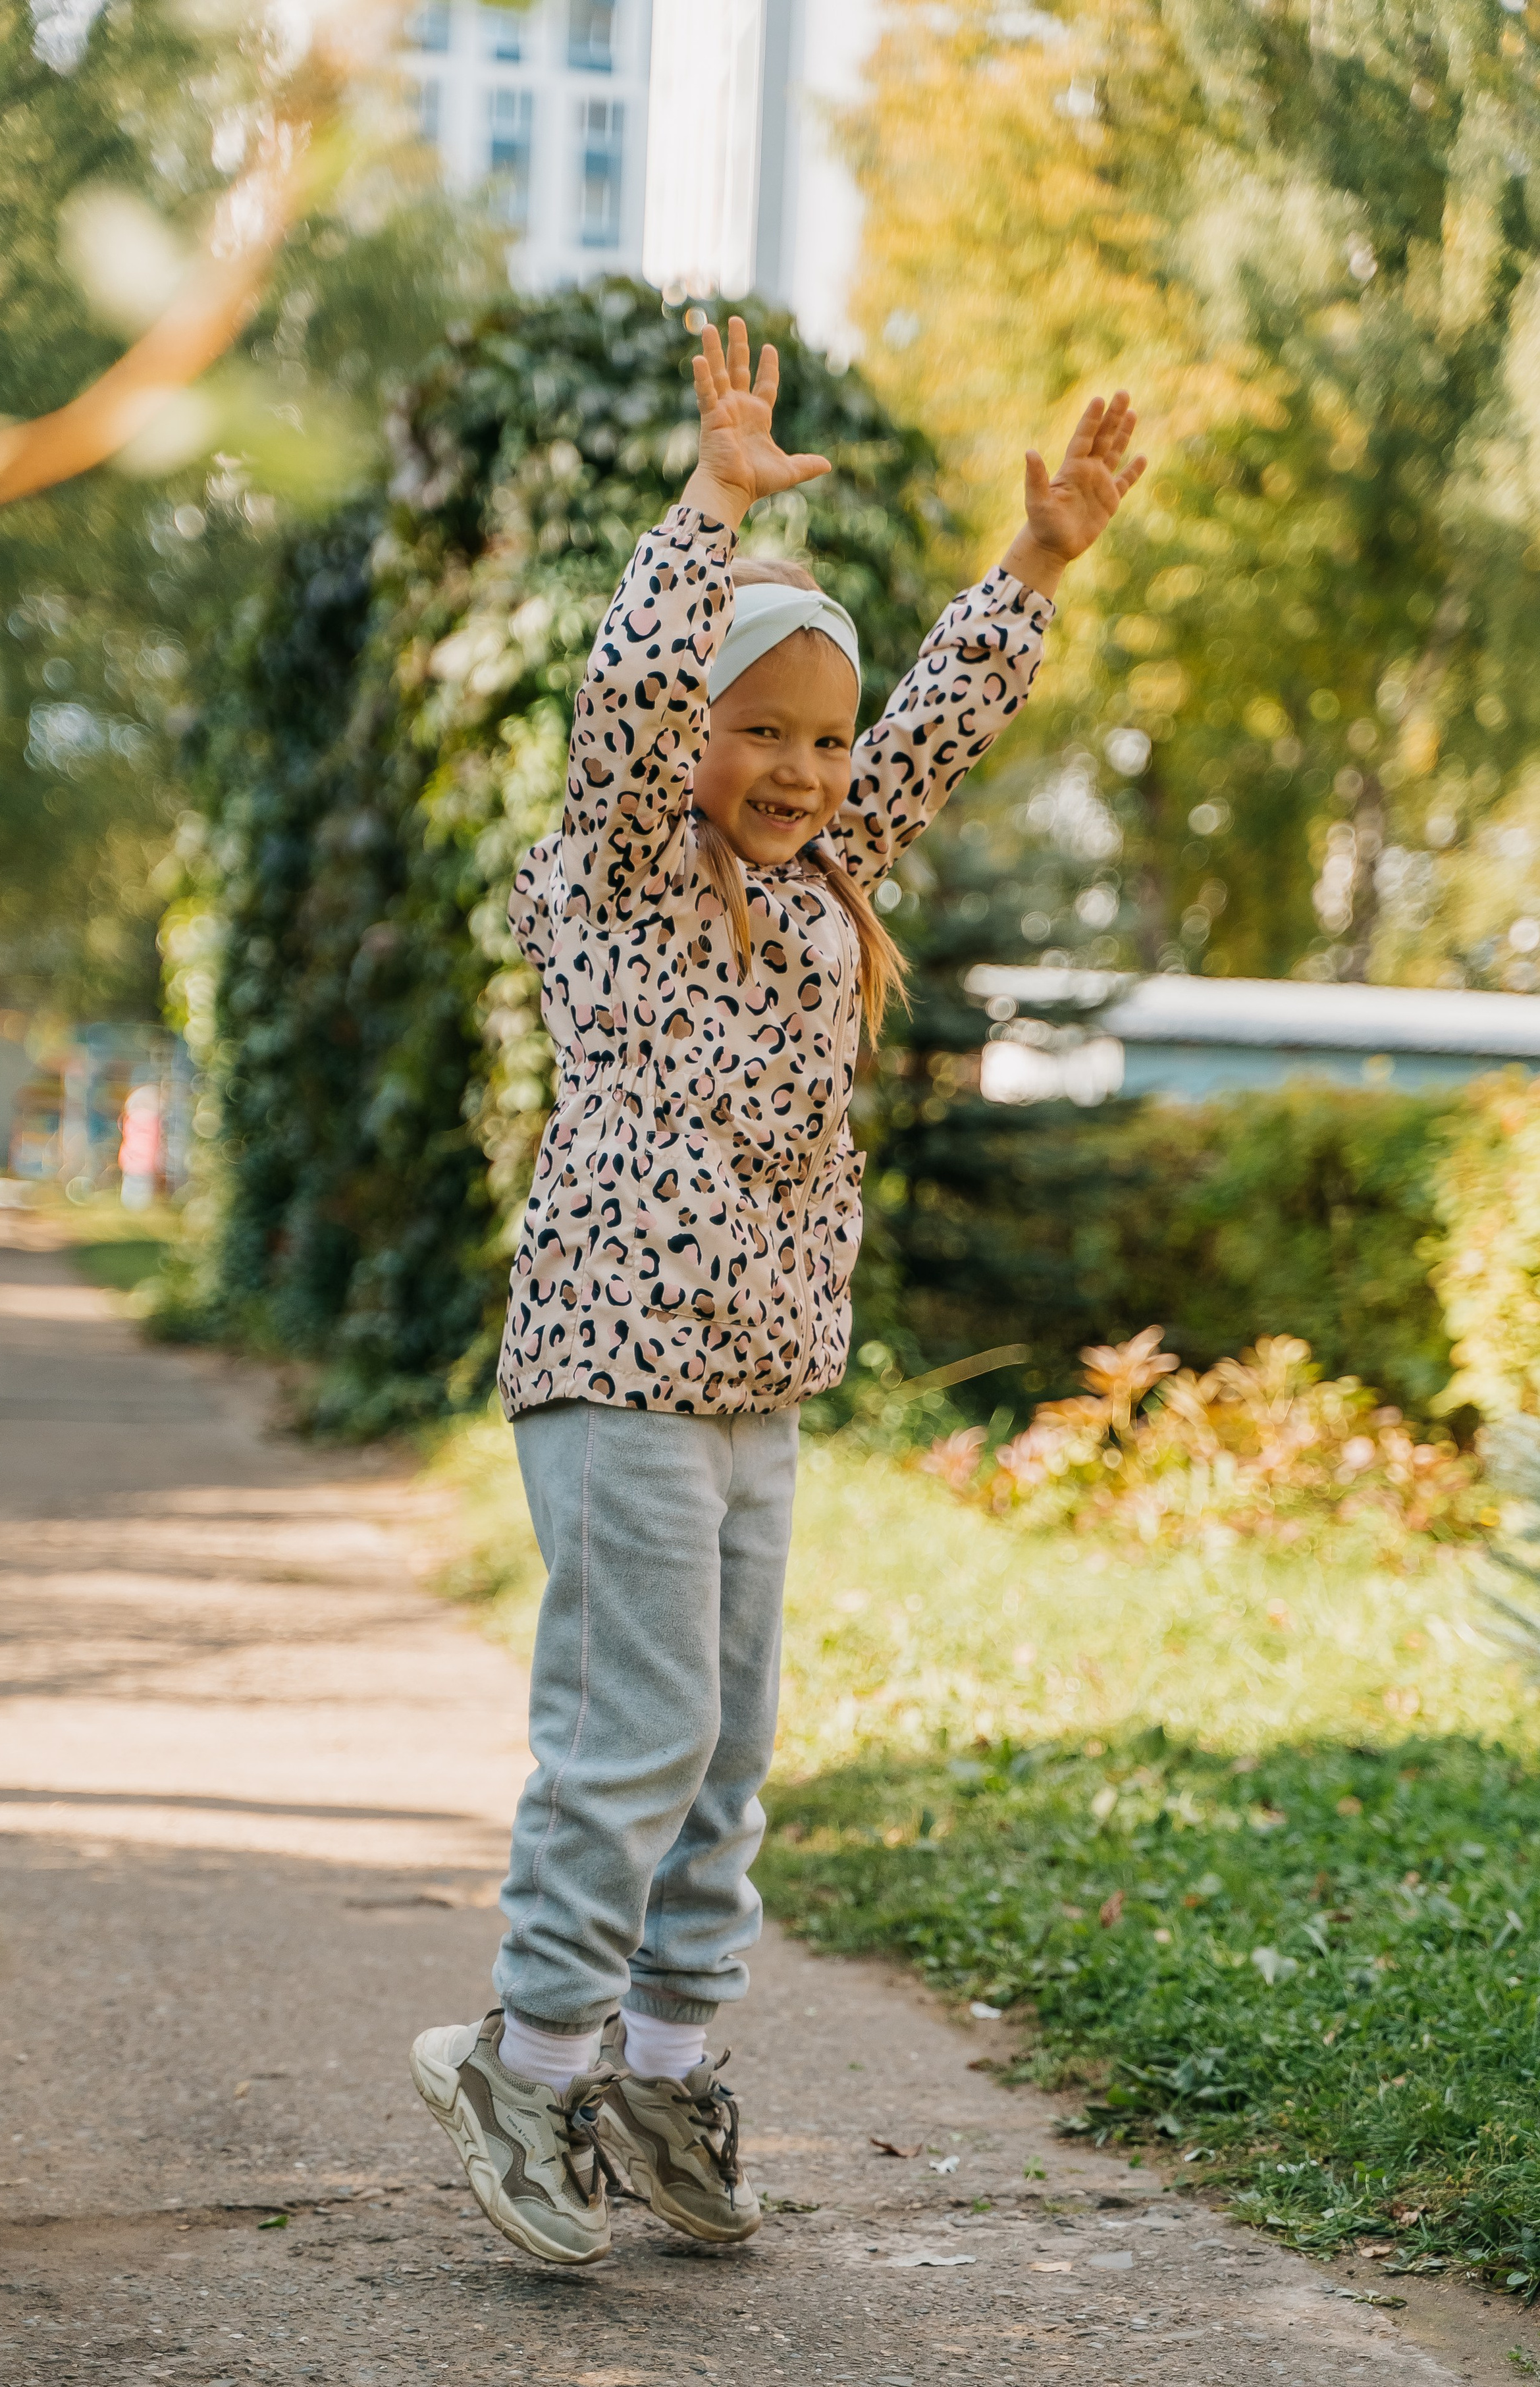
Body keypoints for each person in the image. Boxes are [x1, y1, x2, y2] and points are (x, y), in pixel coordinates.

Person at [411, 316, 1146, 2265]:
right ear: (690, 744)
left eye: (823, 744)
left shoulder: (831, 881)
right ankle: (532, 2064)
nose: (804, 770)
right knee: (634, 1734)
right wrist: (710, 509)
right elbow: (640, 699)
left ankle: (662, 2070)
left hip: (756, 1386)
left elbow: (927, 731)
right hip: (616, 1369)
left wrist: (1038, 569)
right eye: (766, 731)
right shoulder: (622, 871)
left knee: (725, 1759)